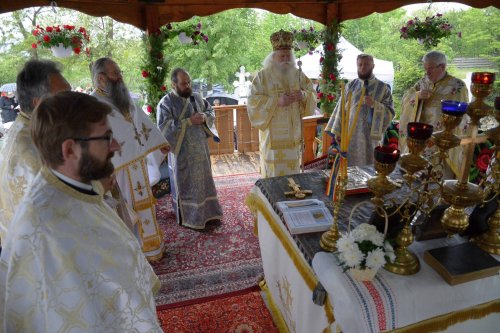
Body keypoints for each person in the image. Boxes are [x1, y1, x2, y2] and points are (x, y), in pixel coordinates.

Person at [0, 91, 162, 332]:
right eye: (106, 137)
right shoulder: (46, 230)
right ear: (70, 150)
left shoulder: (73, 188)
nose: (116, 146)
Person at [91, 57, 169, 261]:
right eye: (115, 73)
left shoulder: (124, 98)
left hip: (138, 164)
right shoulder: (92, 106)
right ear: (101, 79)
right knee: (126, 209)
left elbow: (143, 121)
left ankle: (153, 245)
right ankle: (135, 251)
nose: (120, 77)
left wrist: (160, 142)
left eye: (119, 72)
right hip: (117, 169)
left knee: (146, 204)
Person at [0, 60, 71, 241]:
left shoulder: (32, 129)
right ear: (38, 103)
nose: (72, 104)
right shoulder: (29, 151)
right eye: (64, 97)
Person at [157, 67, 222, 230]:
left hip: (200, 149)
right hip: (182, 153)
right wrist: (188, 121)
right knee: (187, 185)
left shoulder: (197, 97)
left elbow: (209, 111)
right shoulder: (166, 103)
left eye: (189, 82)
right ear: (174, 84)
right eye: (183, 83)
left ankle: (209, 213)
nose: (187, 86)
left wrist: (205, 117)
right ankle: (191, 217)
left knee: (204, 181)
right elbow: (164, 127)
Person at [247, 29, 316, 177]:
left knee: (292, 175)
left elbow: (311, 93)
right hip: (272, 140)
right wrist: (277, 101)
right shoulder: (262, 77)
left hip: (292, 137)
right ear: (273, 57)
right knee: (273, 174)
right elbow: (253, 102)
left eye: (288, 56)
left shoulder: (298, 75)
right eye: (281, 56)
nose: (285, 59)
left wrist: (303, 95)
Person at [400, 51, 469, 177]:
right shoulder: (422, 83)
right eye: (425, 69)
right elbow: (405, 101)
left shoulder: (458, 86)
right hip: (421, 141)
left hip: (442, 143)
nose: (427, 73)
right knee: (416, 178)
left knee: (438, 180)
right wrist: (417, 96)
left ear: (442, 67)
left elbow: (464, 118)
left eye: (430, 68)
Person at [325, 54, 394, 166]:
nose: (363, 67)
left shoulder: (383, 88)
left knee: (369, 169)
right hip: (350, 137)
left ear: (373, 66)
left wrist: (374, 105)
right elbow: (340, 109)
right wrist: (338, 132)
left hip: (371, 140)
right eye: (360, 64)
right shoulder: (350, 86)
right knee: (349, 169)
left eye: (366, 64)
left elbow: (390, 113)